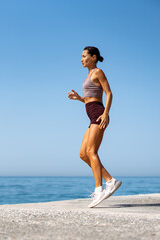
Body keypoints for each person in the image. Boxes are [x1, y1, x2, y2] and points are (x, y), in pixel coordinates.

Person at [68, 46, 122, 208]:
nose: (81, 59)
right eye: (81, 56)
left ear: (94, 57)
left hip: (99, 115)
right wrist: (79, 98)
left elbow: (109, 93)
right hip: (92, 116)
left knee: (92, 152)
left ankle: (99, 190)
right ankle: (110, 180)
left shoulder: (98, 72)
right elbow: (90, 99)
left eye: (84, 56)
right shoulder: (88, 75)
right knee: (83, 154)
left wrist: (106, 113)